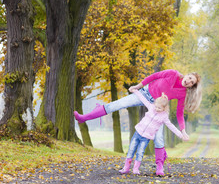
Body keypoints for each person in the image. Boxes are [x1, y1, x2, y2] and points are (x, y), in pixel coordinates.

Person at [74, 69, 202, 176]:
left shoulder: (182, 93)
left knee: (158, 137)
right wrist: (137, 86)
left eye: (192, 83)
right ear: (187, 74)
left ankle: (159, 167)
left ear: (191, 87)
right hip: (143, 93)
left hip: (157, 107)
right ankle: (83, 118)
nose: (189, 81)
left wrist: (183, 130)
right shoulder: (172, 73)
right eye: (190, 78)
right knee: (116, 105)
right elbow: (154, 76)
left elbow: (179, 113)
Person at [119, 90, 186, 175]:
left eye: (159, 108)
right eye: (156, 107)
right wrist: (136, 91)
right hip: (137, 133)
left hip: (146, 137)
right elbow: (143, 99)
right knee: (131, 150)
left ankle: (135, 169)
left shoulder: (164, 117)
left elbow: (171, 126)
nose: (157, 109)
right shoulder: (151, 107)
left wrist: (181, 135)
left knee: (140, 152)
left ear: (164, 108)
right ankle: (126, 168)